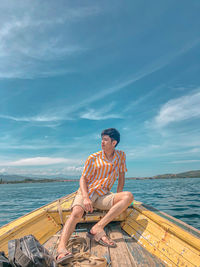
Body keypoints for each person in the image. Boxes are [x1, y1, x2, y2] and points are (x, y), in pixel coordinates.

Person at [56, 128, 134, 265]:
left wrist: (118, 195)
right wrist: (85, 197)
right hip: (87, 191)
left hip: (104, 194)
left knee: (128, 196)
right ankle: (61, 248)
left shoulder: (121, 156)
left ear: (114, 142)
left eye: (105, 140)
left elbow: (121, 176)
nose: (102, 142)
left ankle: (98, 227)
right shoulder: (93, 158)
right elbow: (83, 179)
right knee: (77, 213)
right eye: (102, 139)